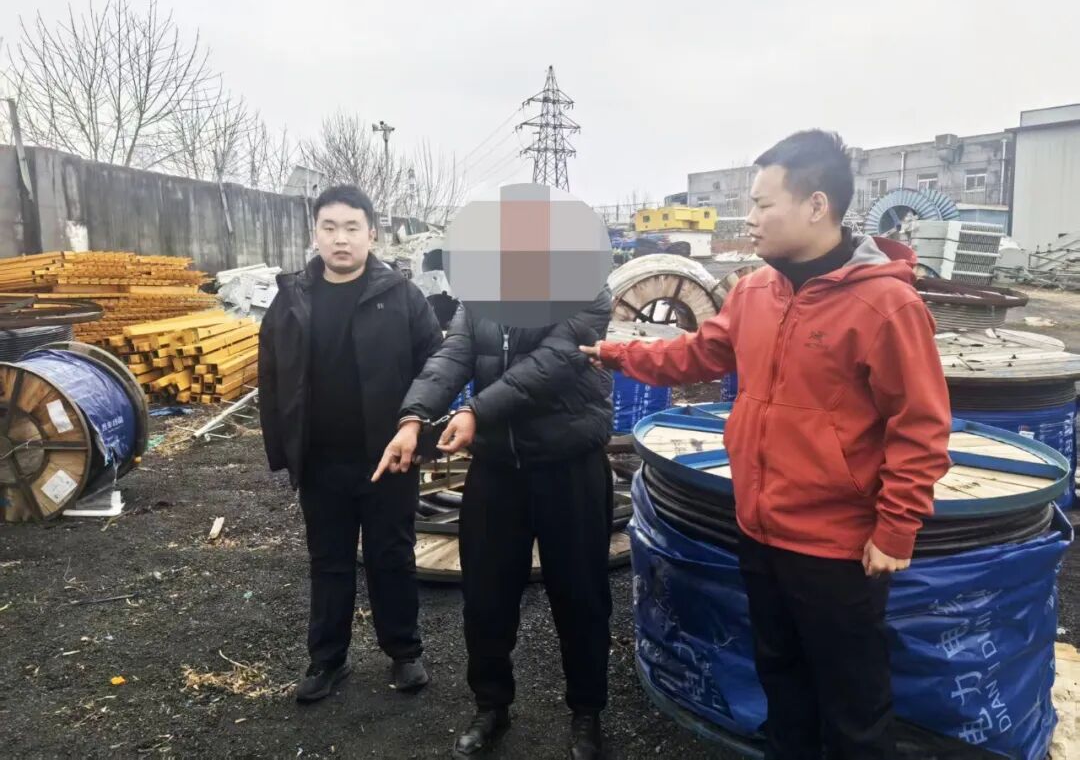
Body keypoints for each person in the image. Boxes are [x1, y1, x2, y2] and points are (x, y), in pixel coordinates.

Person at [582, 130, 953, 760]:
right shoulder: (756, 291)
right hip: (760, 529)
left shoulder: (886, 305)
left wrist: (896, 529)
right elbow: (697, 353)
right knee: (781, 681)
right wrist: (619, 353)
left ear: (816, 205)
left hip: (838, 549)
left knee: (853, 704)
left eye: (761, 204)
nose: (749, 219)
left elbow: (919, 426)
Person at [373, 292, 615, 760]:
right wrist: (413, 418)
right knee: (486, 596)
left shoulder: (586, 290)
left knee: (581, 595)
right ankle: (491, 705)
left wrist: (475, 411)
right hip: (497, 467)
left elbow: (551, 363)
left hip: (569, 464)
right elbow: (453, 355)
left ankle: (587, 711)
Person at [258, 184, 443, 703]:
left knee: (392, 556)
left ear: (372, 234)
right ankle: (327, 660)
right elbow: (271, 375)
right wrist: (284, 450)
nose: (341, 239)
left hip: (389, 458)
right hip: (321, 460)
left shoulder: (402, 296)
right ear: (315, 234)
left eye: (352, 228)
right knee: (329, 560)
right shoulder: (292, 298)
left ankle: (404, 652)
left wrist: (419, 436)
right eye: (330, 228)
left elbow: (436, 368)